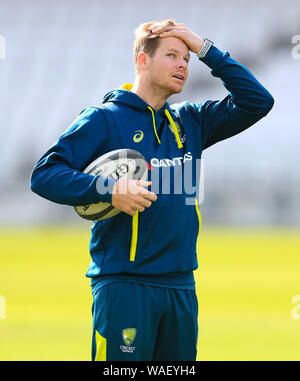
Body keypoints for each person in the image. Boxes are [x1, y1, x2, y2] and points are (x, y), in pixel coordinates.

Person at [30, 19, 274, 361]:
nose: (182, 65)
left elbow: (258, 101)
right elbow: (44, 174)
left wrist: (203, 47)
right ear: (143, 61)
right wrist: (109, 189)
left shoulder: (192, 121)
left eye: (186, 59)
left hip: (181, 287)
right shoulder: (104, 119)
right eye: (172, 55)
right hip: (124, 287)